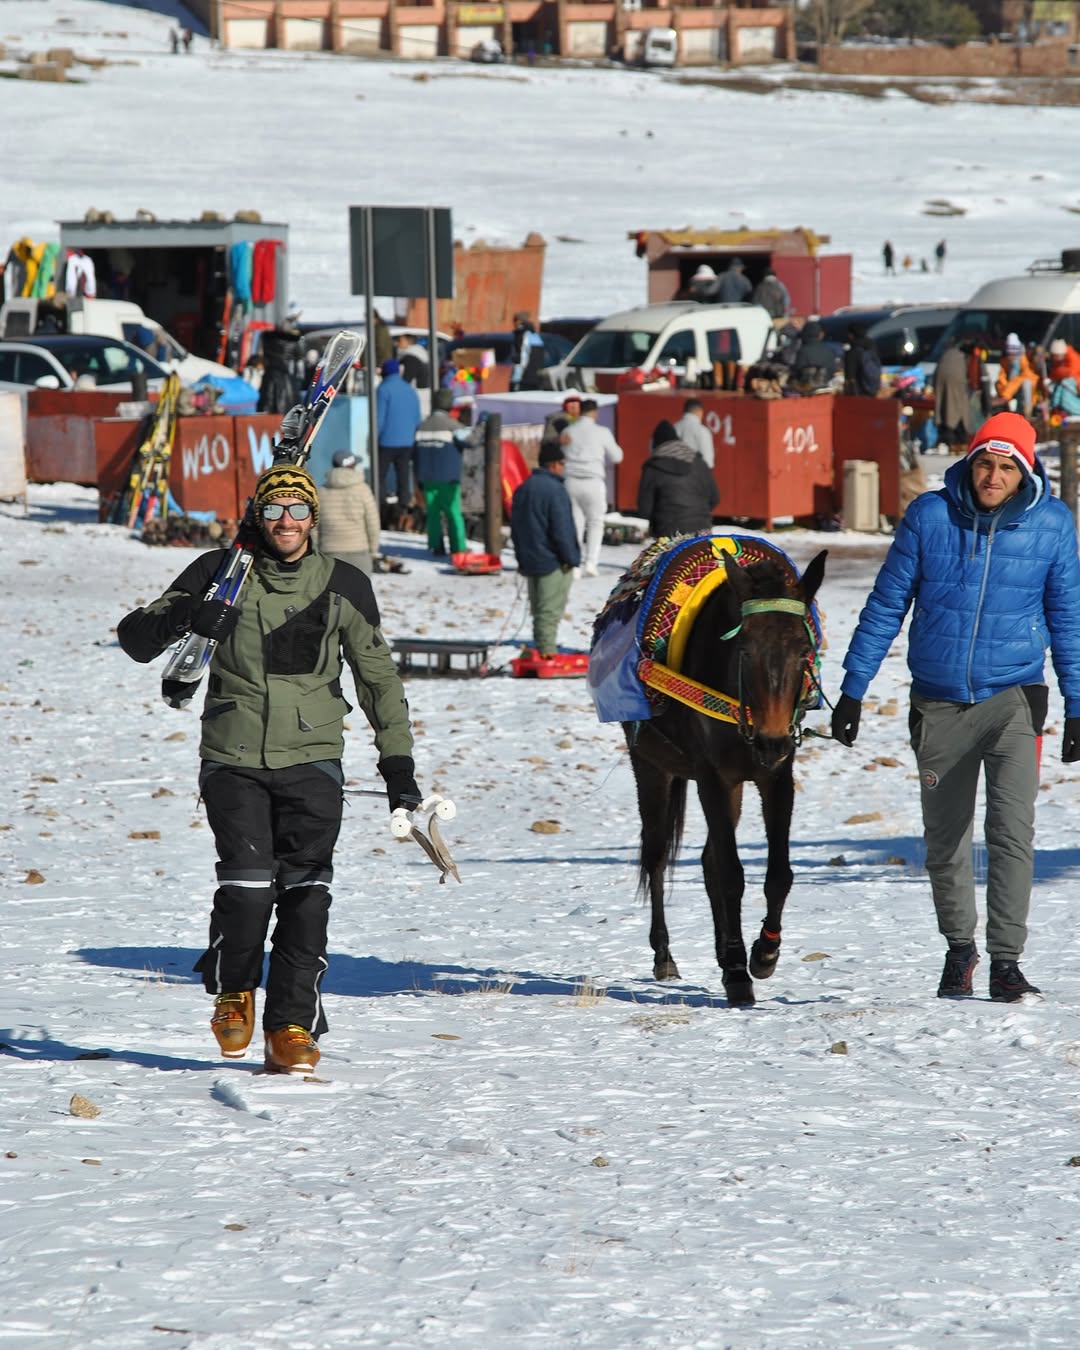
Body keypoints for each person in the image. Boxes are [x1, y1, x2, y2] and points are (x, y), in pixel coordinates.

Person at [116, 463, 421, 1072]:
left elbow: (378, 679)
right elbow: (134, 638)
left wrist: (399, 768)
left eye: (298, 510)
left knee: (308, 898)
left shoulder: (345, 584)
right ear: (259, 515)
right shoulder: (218, 574)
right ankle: (235, 993)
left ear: (313, 518)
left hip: (313, 759)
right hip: (232, 758)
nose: (286, 522)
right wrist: (187, 619)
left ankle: (290, 1026)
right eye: (275, 509)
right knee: (250, 888)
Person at [831, 412, 1080, 1003]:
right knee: (945, 839)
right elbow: (886, 603)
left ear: (1026, 471)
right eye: (985, 464)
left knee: (1012, 833)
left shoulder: (1052, 526)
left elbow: (1068, 619)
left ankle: (1006, 962)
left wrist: (1077, 704)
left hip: (1015, 699)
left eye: (1007, 466)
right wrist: (852, 688)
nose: (993, 477)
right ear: (970, 464)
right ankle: (959, 950)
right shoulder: (929, 516)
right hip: (938, 703)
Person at [510, 442, 581, 656]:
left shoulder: (523, 488)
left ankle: (541, 646)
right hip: (553, 561)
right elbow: (562, 530)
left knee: (538, 610)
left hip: (530, 559)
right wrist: (571, 558)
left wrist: (522, 559)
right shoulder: (555, 491)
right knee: (550, 610)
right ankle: (547, 651)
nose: (564, 467)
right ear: (554, 465)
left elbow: (515, 528)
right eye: (562, 463)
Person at [561, 397, 624, 576]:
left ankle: (574, 564)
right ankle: (591, 563)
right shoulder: (602, 432)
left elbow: (562, 451)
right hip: (593, 481)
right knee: (596, 522)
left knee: (575, 523)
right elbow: (617, 456)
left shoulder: (568, 431)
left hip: (571, 480)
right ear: (595, 412)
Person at [637, 419, 718, 539]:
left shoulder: (653, 466)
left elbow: (645, 509)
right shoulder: (699, 462)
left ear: (655, 444)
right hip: (702, 534)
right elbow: (715, 498)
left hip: (668, 535)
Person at [414, 389, 467, 557]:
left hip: (427, 478)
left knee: (433, 514)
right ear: (450, 405)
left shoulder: (422, 426)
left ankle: (437, 546)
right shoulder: (453, 426)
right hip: (449, 478)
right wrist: (481, 424)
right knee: (453, 513)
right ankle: (458, 547)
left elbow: (414, 454)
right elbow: (471, 441)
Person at [375, 357, 422, 528]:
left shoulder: (383, 389)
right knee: (403, 477)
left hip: (387, 441)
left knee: (379, 475)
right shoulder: (410, 389)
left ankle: (380, 507)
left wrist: (374, 438)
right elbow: (418, 418)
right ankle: (403, 509)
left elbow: (378, 419)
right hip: (407, 442)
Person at [318, 449, 380, 575]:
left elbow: (314, 528)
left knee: (331, 593)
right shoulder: (362, 490)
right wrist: (373, 550)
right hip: (359, 553)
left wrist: (316, 550)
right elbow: (372, 523)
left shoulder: (321, 492)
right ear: (352, 466)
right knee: (359, 594)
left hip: (329, 553)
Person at [933, 339, 973, 451]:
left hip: (945, 390)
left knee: (947, 411)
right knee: (959, 412)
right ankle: (958, 443)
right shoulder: (964, 358)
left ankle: (949, 443)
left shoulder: (945, 356)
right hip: (958, 390)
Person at [995, 332, 1039, 417]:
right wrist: (1003, 391)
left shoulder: (1024, 361)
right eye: (1009, 354)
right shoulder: (1005, 361)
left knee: (1026, 384)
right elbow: (1002, 377)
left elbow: (1024, 378)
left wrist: (1007, 393)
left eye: (1013, 354)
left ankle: (1027, 414)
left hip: (1027, 392)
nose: (1011, 356)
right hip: (1011, 391)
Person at [791, 319, 839, 392]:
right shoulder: (828, 351)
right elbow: (832, 371)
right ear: (820, 334)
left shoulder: (803, 351)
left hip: (807, 392)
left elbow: (797, 372)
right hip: (826, 390)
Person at [510, 311, 547, 392]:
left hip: (523, 378)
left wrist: (516, 378)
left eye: (514, 321)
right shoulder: (535, 335)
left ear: (519, 321)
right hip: (535, 377)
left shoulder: (522, 335)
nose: (513, 324)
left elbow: (522, 357)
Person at [673, 397, 715, 468]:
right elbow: (708, 463)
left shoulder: (673, 428)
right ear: (700, 411)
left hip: (673, 475)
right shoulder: (702, 431)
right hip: (695, 476)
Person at [843, 323, 882, 397]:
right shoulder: (872, 346)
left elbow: (850, 377)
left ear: (851, 335)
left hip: (861, 392)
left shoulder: (853, 350)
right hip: (874, 388)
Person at [1046, 336, 1080, 416]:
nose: (1055, 359)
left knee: (1064, 385)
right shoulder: (1059, 361)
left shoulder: (1073, 358)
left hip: (1075, 386)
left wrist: (1054, 374)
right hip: (1068, 386)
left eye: (1056, 356)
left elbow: (1070, 373)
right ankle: (1055, 408)